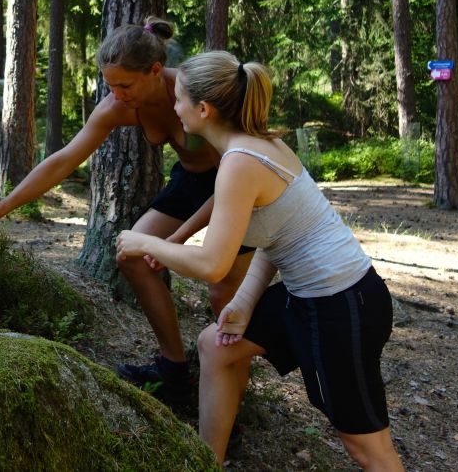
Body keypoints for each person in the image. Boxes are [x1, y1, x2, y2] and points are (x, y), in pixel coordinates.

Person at [115, 50, 403, 469]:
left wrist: (147, 243)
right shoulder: (255, 146)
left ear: (203, 108)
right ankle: (206, 462)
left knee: (367, 449)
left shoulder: (241, 162)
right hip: (312, 297)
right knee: (216, 345)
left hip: (341, 308)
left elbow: (213, 265)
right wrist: (245, 302)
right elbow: (274, 239)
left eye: (179, 99)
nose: (174, 108)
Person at [0, 18, 254, 401]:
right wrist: (5, 204)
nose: (117, 95)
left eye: (125, 85)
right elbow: (65, 159)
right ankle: (174, 368)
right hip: (192, 180)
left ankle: (232, 397)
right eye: (110, 86)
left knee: (223, 295)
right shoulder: (118, 106)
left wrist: (175, 239)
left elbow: (239, 170)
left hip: (239, 182)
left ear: (155, 71)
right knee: (131, 254)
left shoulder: (195, 89)